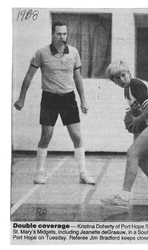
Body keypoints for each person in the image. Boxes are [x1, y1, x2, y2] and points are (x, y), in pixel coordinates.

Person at [14, 21, 95, 185]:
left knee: (77, 136)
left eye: (64, 34)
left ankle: (83, 173)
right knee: (46, 135)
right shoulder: (41, 53)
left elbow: (77, 78)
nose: (62, 37)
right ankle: (40, 172)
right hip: (49, 99)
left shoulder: (73, 52)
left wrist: (83, 100)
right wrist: (21, 98)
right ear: (52, 34)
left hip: (68, 98)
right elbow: (29, 76)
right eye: (59, 34)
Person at [101, 60, 148, 209]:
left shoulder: (135, 85)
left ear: (129, 73)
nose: (121, 79)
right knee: (143, 160)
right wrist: (134, 117)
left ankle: (124, 197)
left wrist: (136, 120)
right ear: (113, 81)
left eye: (123, 75)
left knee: (132, 153)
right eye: (117, 77)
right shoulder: (127, 91)